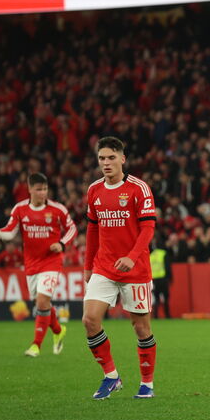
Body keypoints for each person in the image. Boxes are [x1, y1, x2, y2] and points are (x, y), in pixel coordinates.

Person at [82, 137, 159, 400]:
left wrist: (132, 256)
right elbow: (92, 229)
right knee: (90, 320)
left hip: (135, 269)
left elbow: (148, 227)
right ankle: (111, 376)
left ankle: (147, 383)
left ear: (122, 159)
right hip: (104, 266)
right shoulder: (94, 190)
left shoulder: (139, 188)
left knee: (141, 328)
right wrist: (88, 265)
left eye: (111, 157)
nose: (106, 163)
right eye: (102, 158)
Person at [0, 172, 76, 357]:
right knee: (42, 304)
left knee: (42, 301)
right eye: (39, 189)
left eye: (45, 189)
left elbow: (72, 228)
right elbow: (10, 233)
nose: (43, 193)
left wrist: (62, 244)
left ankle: (36, 345)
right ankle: (58, 331)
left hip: (51, 261)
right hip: (32, 264)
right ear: (30, 189)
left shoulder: (58, 209)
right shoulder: (20, 209)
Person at [150, 237, 172, 319]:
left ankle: (156, 316)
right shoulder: (163, 253)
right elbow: (167, 267)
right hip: (163, 279)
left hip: (154, 280)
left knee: (156, 298)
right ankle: (167, 315)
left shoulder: (151, 255)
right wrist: (170, 278)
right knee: (166, 298)